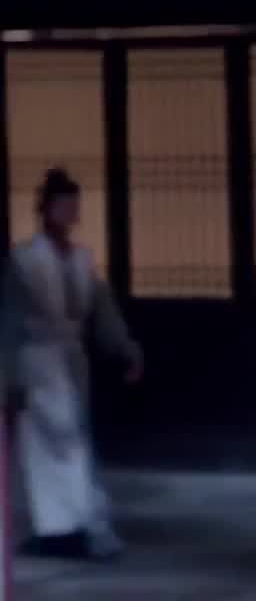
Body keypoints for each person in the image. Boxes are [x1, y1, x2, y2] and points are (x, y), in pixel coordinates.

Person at [0, 168, 144, 560]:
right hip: (36, 361)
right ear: (45, 209)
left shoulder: (81, 260)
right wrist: (8, 376)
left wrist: (125, 349)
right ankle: (58, 527)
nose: (68, 212)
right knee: (48, 446)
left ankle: (71, 526)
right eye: (61, 205)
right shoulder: (24, 259)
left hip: (71, 360)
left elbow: (103, 311)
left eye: (72, 206)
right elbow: (9, 321)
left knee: (72, 441)